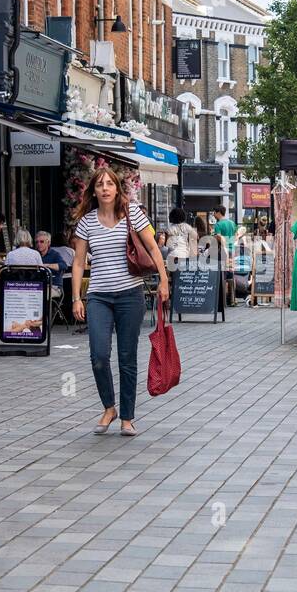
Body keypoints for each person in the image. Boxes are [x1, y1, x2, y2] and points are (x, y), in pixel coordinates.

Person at [71, 167, 170, 437]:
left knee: (127, 357)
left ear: (117, 188)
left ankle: (127, 416)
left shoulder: (133, 214)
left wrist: (163, 281)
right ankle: (109, 407)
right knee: (99, 356)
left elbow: (152, 248)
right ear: (93, 190)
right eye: (100, 185)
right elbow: (79, 262)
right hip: (98, 296)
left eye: (109, 184)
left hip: (130, 295)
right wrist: (76, 297)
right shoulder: (87, 222)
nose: (105, 189)